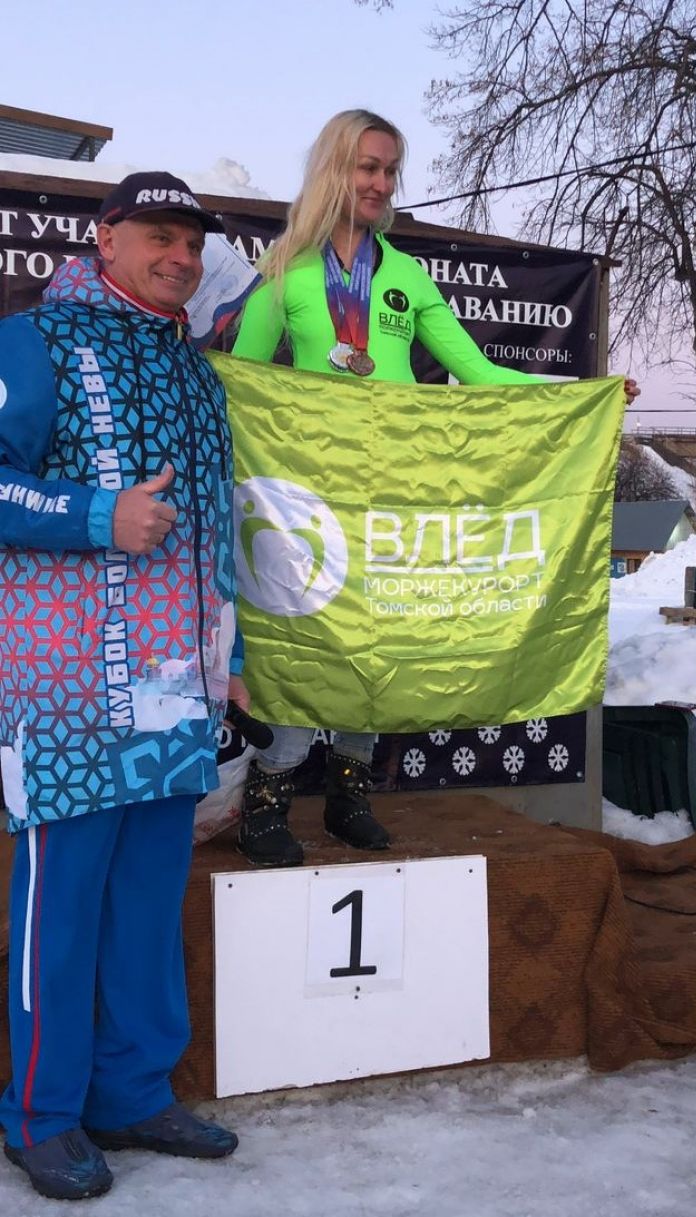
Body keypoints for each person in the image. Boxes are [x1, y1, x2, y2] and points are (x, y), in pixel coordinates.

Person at [233, 108, 640, 869]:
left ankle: (350, 798)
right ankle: (269, 801)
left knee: (378, 636)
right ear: (335, 169)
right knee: (306, 640)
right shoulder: (286, 270)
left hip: (391, 491)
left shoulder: (405, 275)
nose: (381, 183)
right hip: (311, 494)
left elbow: (479, 373)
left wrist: (581, 395)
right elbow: (243, 382)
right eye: (368, 167)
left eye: (390, 170)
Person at [0, 171, 248, 1202]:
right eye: (158, 235)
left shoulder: (195, 371)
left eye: (191, 241)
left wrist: (231, 655)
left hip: (174, 690)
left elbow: (215, 525)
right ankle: (40, 1113)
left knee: (145, 906)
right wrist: (97, 515)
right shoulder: (34, 340)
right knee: (59, 912)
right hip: (64, 695)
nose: (179, 255)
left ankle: (133, 1090)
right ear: (105, 238)